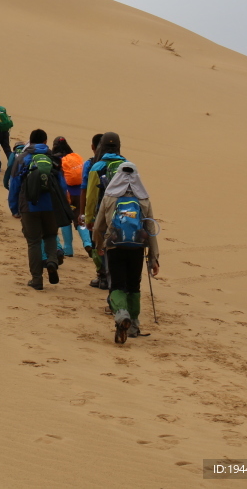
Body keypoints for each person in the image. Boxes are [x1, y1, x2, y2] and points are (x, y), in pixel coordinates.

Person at [92, 162, 160, 343]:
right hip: (137, 248)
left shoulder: (110, 196)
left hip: (114, 247)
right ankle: (134, 325)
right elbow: (151, 228)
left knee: (117, 285)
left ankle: (121, 314)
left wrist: (99, 245)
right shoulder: (143, 199)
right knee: (133, 286)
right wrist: (154, 257)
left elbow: (99, 226)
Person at [8, 129, 74, 291]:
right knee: (50, 235)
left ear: (30, 142)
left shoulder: (23, 158)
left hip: (29, 206)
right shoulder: (53, 158)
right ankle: (52, 260)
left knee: (33, 242)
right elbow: (62, 185)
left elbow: (14, 184)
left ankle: (36, 279)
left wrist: (14, 208)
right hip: (51, 205)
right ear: (45, 142)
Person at [84, 132, 126, 289]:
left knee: (100, 245)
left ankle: (102, 277)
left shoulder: (98, 166)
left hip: (103, 213)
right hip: (124, 214)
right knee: (118, 246)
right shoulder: (127, 165)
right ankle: (116, 278)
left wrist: (89, 218)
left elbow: (92, 196)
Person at [51, 137, 93, 257]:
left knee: (64, 220)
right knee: (80, 218)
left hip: (65, 193)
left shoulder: (56, 160)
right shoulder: (75, 157)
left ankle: (68, 249)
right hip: (80, 193)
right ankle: (87, 243)